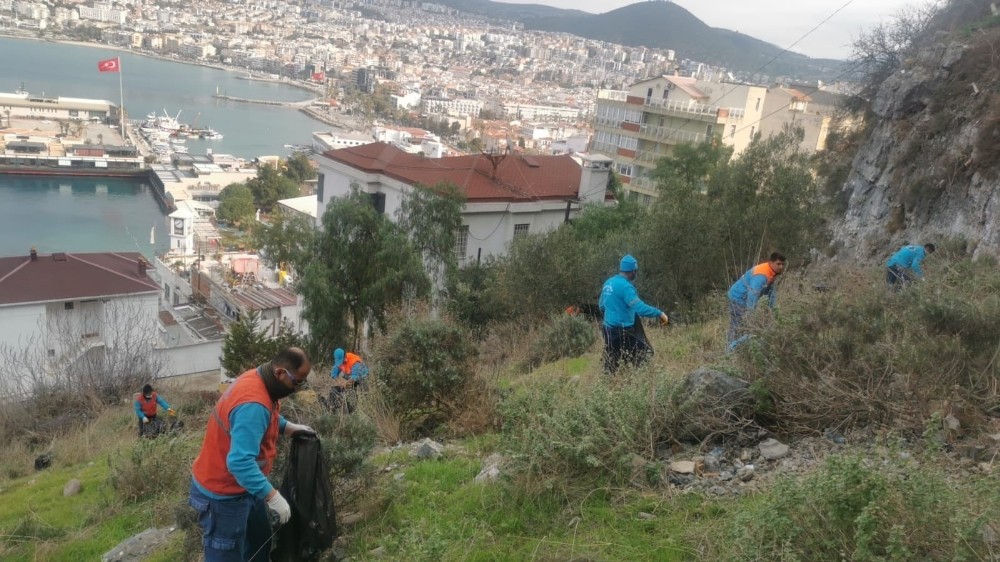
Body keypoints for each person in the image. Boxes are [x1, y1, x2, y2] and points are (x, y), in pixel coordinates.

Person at [188, 347, 316, 562]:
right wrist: (272, 496)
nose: (298, 388)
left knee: (258, 543)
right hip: (223, 495)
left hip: (246, 488)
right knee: (226, 555)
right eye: (297, 382)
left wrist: (288, 427)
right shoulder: (253, 404)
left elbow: (257, 422)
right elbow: (239, 463)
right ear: (280, 373)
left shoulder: (258, 378)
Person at [598, 254, 669, 374]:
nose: (636, 273)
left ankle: (610, 385)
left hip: (608, 329)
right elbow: (640, 308)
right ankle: (641, 383)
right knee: (643, 356)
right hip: (623, 332)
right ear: (633, 271)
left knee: (612, 363)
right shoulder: (626, 287)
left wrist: (613, 313)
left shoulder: (608, 282)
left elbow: (602, 305)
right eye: (635, 271)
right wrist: (659, 313)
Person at [727, 252, 787, 352]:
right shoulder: (761, 275)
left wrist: (775, 313)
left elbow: (771, 293)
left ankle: (735, 349)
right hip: (738, 298)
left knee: (743, 327)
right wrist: (751, 316)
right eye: (778, 264)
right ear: (771, 263)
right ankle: (730, 351)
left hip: (742, 298)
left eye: (783, 264)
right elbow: (752, 295)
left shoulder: (772, 273)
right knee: (739, 326)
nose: (781, 267)